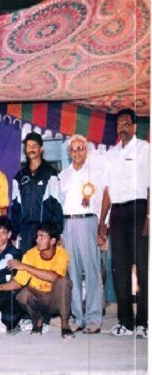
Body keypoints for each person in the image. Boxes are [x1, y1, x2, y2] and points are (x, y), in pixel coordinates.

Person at [99, 108, 149, 338]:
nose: (123, 128)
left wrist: (149, 218)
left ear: (135, 126)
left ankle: (144, 323)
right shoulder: (110, 155)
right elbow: (107, 191)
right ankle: (125, 323)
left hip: (139, 211)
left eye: (127, 123)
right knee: (119, 269)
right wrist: (102, 221)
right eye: (119, 125)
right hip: (117, 214)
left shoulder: (144, 149)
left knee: (143, 268)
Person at [0, 223, 75, 339]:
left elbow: (54, 277)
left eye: (42, 237)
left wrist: (25, 266)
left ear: (52, 241)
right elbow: (19, 282)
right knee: (22, 294)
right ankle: (37, 321)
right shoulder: (31, 254)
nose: (38, 240)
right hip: (39, 298)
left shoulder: (62, 253)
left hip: (56, 300)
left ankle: (65, 325)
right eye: (37, 236)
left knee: (64, 282)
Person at [59, 135, 105, 334]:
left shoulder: (95, 173)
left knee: (92, 271)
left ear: (86, 151)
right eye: (73, 149)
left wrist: (103, 226)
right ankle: (78, 317)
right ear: (69, 153)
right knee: (73, 272)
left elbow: (104, 199)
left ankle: (94, 318)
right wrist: (60, 232)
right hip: (68, 224)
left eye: (80, 148)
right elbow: (59, 203)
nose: (77, 152)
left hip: (88, 222)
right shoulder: (63, 175)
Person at [11, 132, 63, 254]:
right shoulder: (19, 176)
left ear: (41, 149)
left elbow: (57, 205)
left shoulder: (50, 173)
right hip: (25, 231)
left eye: (35, 146)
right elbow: (16, 208)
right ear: (25, 150)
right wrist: (14, 233)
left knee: (44, 270)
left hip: (45, 231)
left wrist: (57, 233)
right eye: (28, 146)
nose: (31, 149)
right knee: (25, 266)